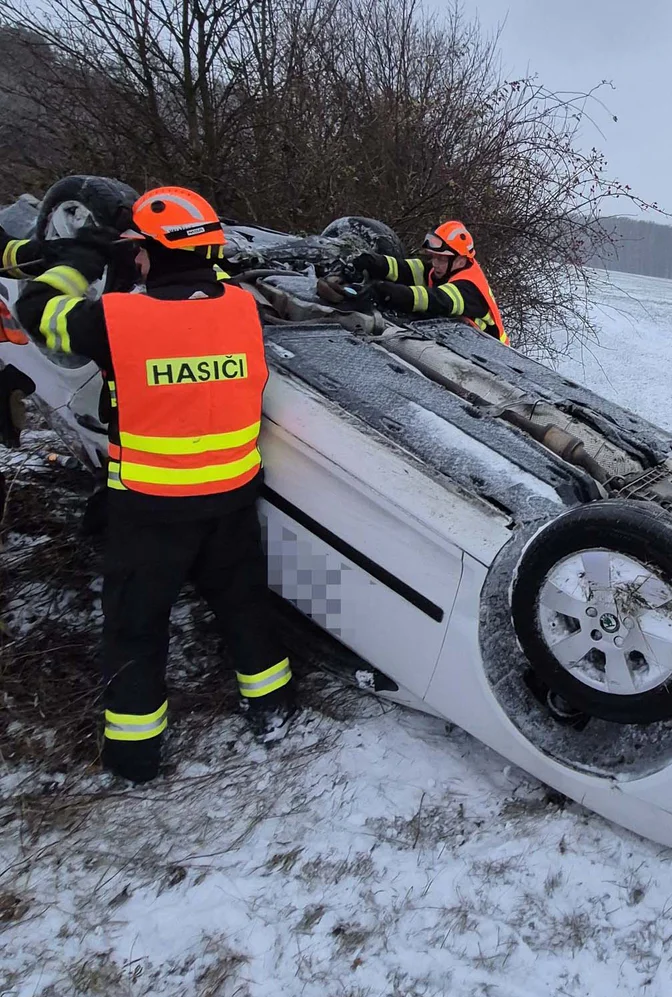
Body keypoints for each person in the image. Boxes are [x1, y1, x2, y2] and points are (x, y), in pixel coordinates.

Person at [16, 186, 295, 785]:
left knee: (136, 625)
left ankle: (136, 752)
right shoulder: (241, 309)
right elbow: (192, 293)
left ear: (144, 252)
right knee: (243, 604)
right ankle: (271, 707)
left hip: (151, 507)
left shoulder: (119, 320)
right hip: (232, 497)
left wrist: (82, 260)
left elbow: (38, 309)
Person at [317, 219, 508, 344]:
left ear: (460, 259)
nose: (435, 263)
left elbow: (433, 299)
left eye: (441, 259)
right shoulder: (445, 270)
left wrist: (384, 291)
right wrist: (373, 262)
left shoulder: (470, 287)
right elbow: (407, 269)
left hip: (491, 355)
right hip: (464, 342)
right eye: (433, 257)